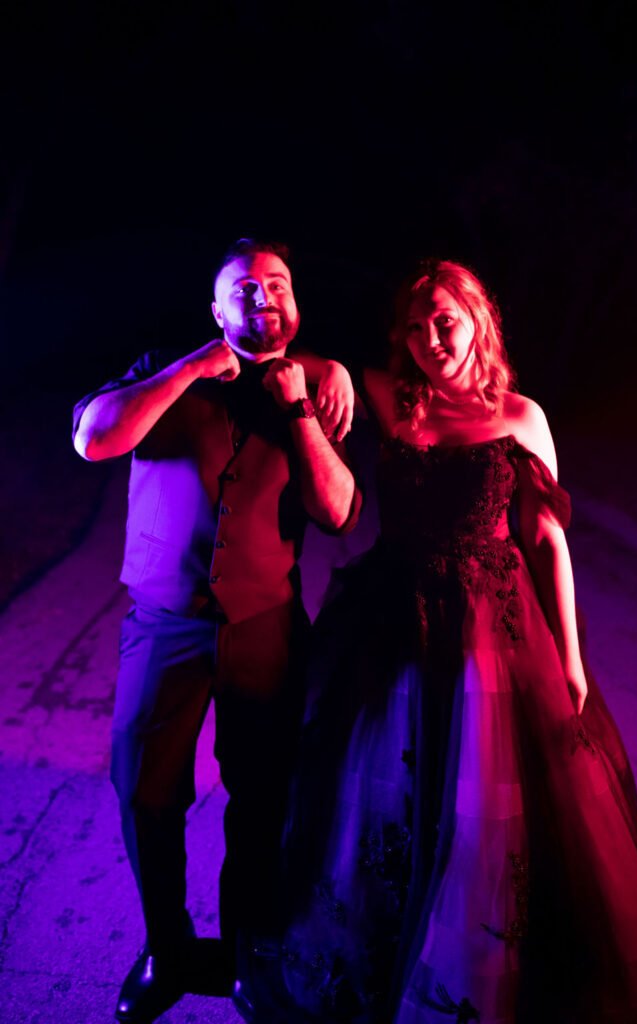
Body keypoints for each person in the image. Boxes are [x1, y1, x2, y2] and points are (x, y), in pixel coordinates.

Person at [233, 259, 637, 1024]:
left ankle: (484, 970)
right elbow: (288, 363)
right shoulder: (389, 397)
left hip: (492, 630)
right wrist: (335, 369)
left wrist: (571, 659)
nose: (429, 338)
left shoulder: (519, 415)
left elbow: (545, 541)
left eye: (443, 319)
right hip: (392, 624)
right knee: (385, 801)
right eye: (414, 326)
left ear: (478, 318)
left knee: (490, 805)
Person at [72, 238, 362, 1024]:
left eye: (277, 284)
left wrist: (300, 401)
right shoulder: (164, 368)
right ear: (216, 309)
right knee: (144, 788)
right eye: (243, 287)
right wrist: (190, 369)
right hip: (163, 625)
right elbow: (95, 438)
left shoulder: (321, 387)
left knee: (262, 798)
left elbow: (337, 512)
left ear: (295, 302)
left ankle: (246, 954)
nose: (261, 296)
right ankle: (166, 950)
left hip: (265, 624)